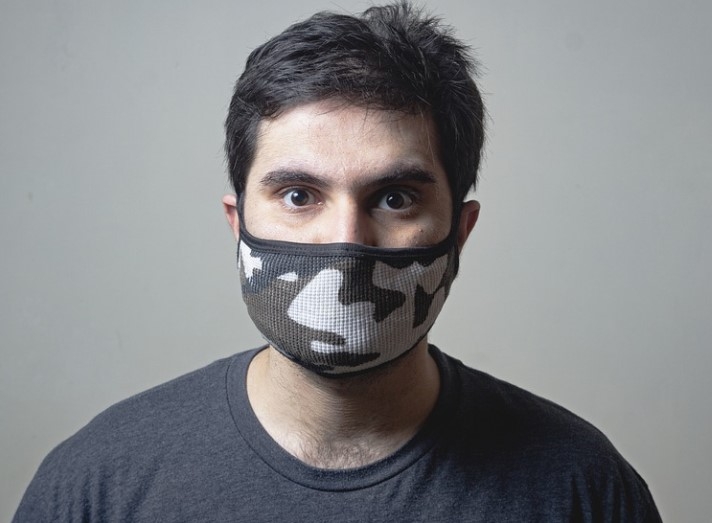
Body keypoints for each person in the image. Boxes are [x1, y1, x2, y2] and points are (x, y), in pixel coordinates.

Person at [14, 2, 661, 521]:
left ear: (459, 232)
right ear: (238, 224)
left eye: (394, 197)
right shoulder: (96, 485)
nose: (345, 243)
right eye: (299, 195)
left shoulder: (584, 488)